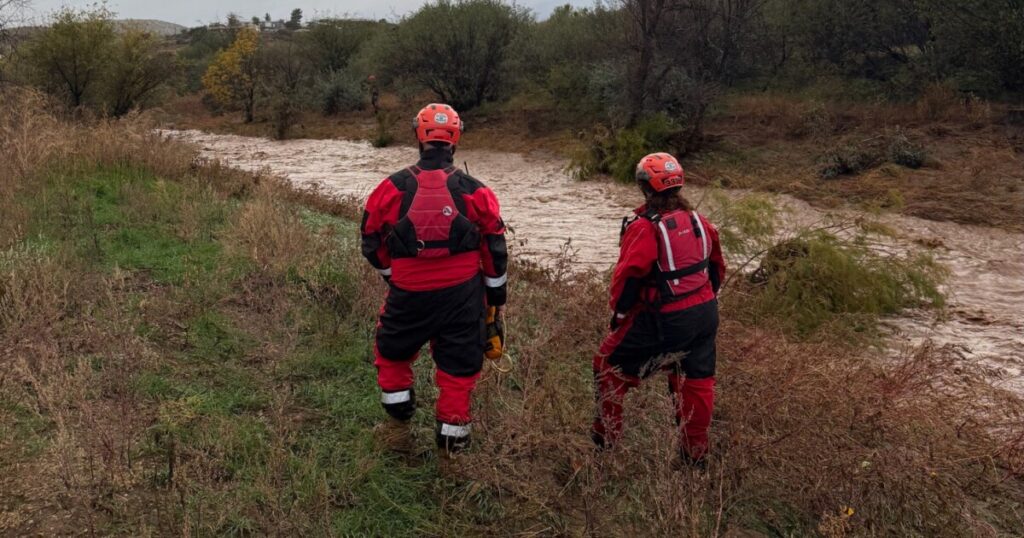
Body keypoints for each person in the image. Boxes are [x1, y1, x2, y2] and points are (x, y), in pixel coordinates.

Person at [360, 103, 508, 459]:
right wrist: (495, 300)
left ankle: (398, 425)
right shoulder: (476, 190)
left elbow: (370, 240)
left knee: (392, 353)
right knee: (459, 369)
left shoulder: (389, 188)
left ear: (418, 137)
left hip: (408, 293)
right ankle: (451, 451)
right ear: (455, 140)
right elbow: (496, 248)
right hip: (463, 296)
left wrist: (393, 276)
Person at [591, 152, 726, 468]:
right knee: (697, 379)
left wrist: (621, 315)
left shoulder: (644, 227)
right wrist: (704, 300)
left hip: (666, 318)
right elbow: (717, 268)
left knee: (607, 365)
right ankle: (695, 456)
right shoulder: (700, 222)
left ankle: (605, 442)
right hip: (706, 313)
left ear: (644, 187)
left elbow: (628, 279)